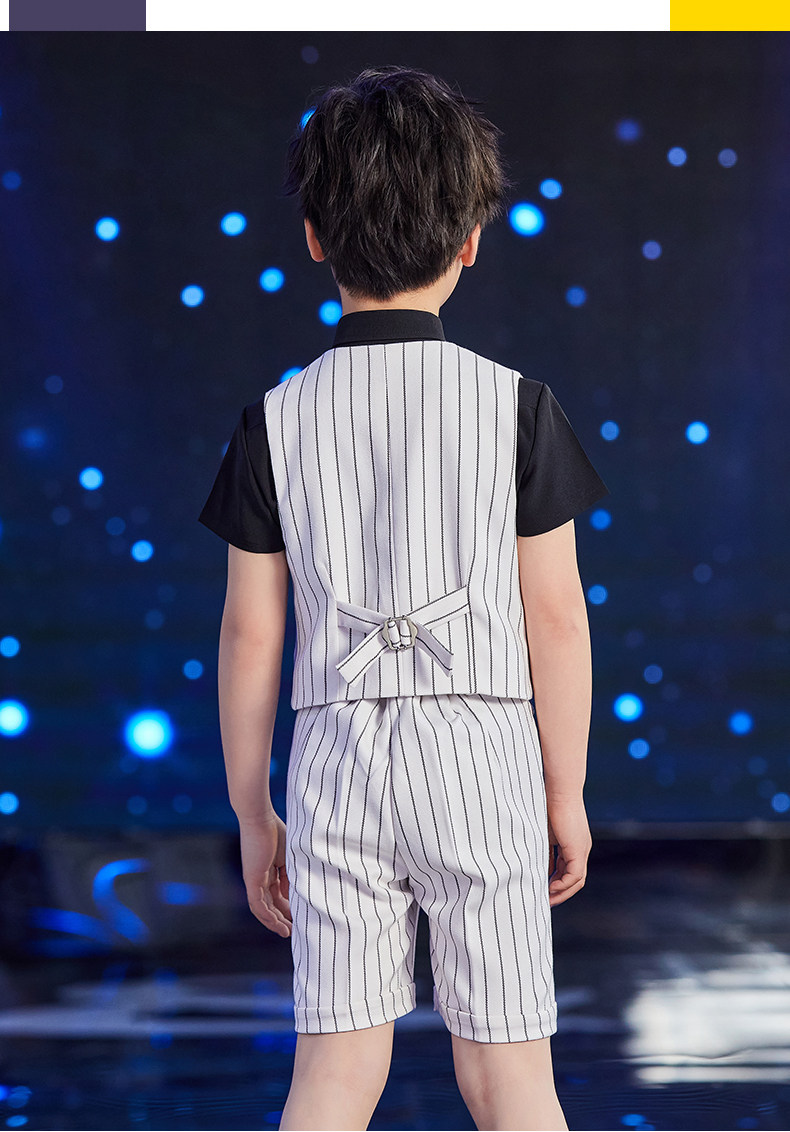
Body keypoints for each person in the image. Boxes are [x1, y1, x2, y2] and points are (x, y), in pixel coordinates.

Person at [198, 64, 611, 1132]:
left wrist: (252, 813)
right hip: (484, 758)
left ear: (313, 238)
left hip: (335, 763)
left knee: (332, 1079)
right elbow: (556, 621)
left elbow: (249, 634)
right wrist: (565, 791)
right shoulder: (517, 407)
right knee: (512, 1082)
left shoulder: (273, 420)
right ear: (470, 241)